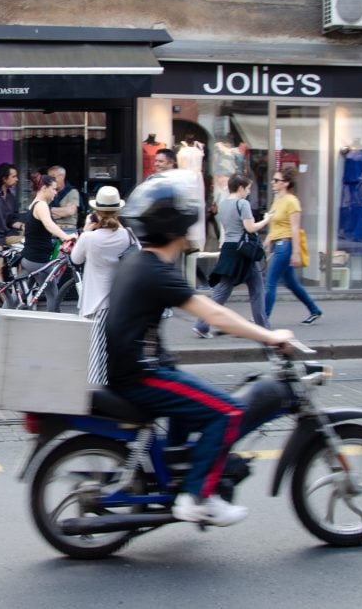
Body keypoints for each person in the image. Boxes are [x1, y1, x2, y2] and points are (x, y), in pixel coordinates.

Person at [108, 171, 293, 525]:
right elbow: (213, 314)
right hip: (141, 376)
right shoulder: (157, 271)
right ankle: (197, 496)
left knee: (190, 404)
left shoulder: (139, 260)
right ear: (177, 227)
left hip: (137, 369)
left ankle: (181, 474)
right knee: (227, 413)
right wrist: (268, 336)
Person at [193, 174, 273, 338]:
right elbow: (250, 228)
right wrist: (266, 220)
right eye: (248, 188)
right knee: (257, 290)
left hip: (229, 248)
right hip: (244, 251)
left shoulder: (223, 204)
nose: (249, 192)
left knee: (223, 290)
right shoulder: (242, 203)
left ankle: (202, 324)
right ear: (241, 188)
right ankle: (263, 328)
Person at [69, 185, 132, 385]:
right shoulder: (127, 235)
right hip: (120, 304)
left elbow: (75, 259)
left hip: (95, 304)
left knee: (95, 357)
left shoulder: (89, 238)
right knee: (117, 352)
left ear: (96, 212)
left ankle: (96, 398)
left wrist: (86, 229)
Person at [263, 166, 323, 325]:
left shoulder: (292, 202)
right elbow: (275, 222)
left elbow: (295, 228)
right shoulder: (277, 199)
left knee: (269, 282)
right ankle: (314, 310)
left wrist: (295, 252)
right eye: (273, 179)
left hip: (285, 245)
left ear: (286, 183)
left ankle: (262, 318)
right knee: (291, 283)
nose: (272, 182)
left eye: (276, 180)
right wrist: (269, 238)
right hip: (278, 244)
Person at [20, 175, 77, 306]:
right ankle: (55, 324)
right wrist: (66, 236)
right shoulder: (41, 205)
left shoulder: (35, 204)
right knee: (53, 295)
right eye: (54, 189)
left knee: (18, 294)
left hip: (30, 257)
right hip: (37, 260)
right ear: (44, 188)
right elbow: (48, 224)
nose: (56, 193)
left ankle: (1, 319)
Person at [47, 165, 80, 234]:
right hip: (50, 230)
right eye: (49, 178)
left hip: (68, 230)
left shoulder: (72, 192)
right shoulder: (48, 193)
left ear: (62, 177)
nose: (50, 181)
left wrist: (49, 210)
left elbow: (69, 211)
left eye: (53, 177)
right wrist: (62, 212)